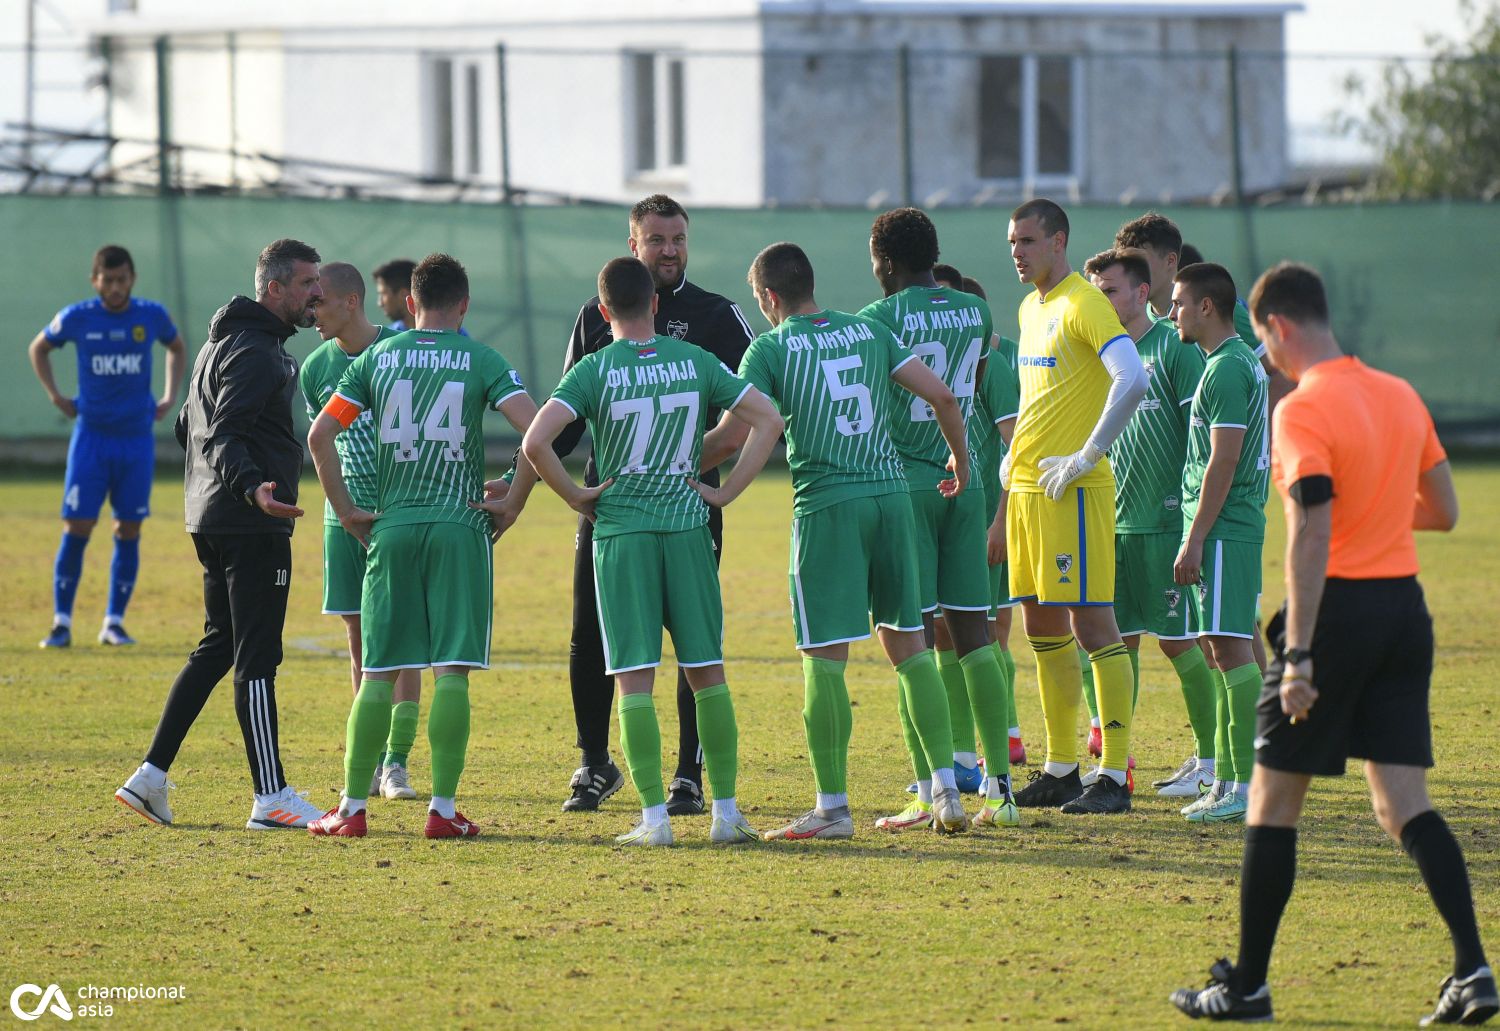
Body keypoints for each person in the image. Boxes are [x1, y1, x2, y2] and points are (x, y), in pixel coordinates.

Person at [1171, 263, 1495, 1026]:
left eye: (1263, 342)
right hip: (1404, 614)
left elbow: (1313, 527)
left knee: (1274, 804)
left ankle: (1247, 985)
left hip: (1338, 614)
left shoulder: (1302, 408)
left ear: (1280, 327)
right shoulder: (1398, 393)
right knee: (1402, 803)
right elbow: (1442, 509)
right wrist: (1376, 508)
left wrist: (1302, 654)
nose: (1267, 358)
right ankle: (1473, 968)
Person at [716, 242, 980, 840]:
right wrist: (962, 466)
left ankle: (833, 808)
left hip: (828, 507)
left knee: (825, 661)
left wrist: (679, 470)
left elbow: (735, 435)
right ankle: (944, 790)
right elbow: (941, 394)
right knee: (911, 648)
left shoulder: (770, 347)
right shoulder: (866, 331)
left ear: (768, 297)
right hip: (891, 499)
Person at [521, 256, 784, 846]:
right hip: (689, 528)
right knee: (707, 672)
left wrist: (577, 496)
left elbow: (537, 442)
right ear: (656, 306)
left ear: (603, 311)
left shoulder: (593, 369)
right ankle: (725, 814)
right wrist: (725, 491)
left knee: (632, 678)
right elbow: (765, 419)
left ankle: (654, 820)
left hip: (621, 537)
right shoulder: (694, 361)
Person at [305, 253, 539, 840]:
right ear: (463, 306)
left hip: (393, 525)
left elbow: (320, 435)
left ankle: (352, 808)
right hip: (460, 527)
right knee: (450, 671)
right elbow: (537, 431)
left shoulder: (378, 357)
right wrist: (512, 499)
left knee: (378, 669)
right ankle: (442, 809)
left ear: (408, 305)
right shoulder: (481, 357)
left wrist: (346, 511)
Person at [551, 194, 755, 816]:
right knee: (592, 632)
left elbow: (754, 405)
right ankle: (594, 763)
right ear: (632, 244)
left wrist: (687, 460)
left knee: (694, 643)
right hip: (609, 512)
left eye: (678, 240)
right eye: (657, 240)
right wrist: (518, 481)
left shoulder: (717, 316)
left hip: (689, 507)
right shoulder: (595, 316)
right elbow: (558, 430)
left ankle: (688, 775)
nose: (669, 251)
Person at [114, 238, 326, 831]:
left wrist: (225, 483)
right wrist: (255, 486)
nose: (318, 293)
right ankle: (271, 795)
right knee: (257, 659)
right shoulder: (258, 352)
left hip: (209, 517)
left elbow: (189, 427)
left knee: (219, 646)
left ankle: (150, 777)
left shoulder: (218, 343)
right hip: (249, 521)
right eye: (308, 283)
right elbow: (223, 433)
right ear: (274, 288)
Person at [857, 208, 1017, 831]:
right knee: (977, 638)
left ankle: (932, 790)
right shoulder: (975, 311)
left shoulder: (878, 319)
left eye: (875, 259)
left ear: (887, 260)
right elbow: (971, 382)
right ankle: (1000, 794)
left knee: (910, 640)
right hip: (966, 484)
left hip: (906, 486)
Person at [1004, 199, 1148, 816]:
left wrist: (1087, 455)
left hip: (1075, 490)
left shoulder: (1085, 301)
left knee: (1094, 627)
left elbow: (1132, 378)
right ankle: (1062, 767)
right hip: (1031, 491)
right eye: (1013, 241)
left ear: (1058, 241)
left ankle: (1113, 775)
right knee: (1039, 626)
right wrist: (1014, 459)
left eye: (1029, 241)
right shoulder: (1031, 306)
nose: (1018, 251)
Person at [1083, 248, 1217, 799]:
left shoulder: (1173, 348)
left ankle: (1211, 763)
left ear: (1142, 293)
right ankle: (1117, 764)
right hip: (1108, 520)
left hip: (1164, 524)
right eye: (1097, 293)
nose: (1103, 301)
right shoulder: (1097, 354)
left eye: (1111, 291)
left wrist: (1192, 521)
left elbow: (1206, 437)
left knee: (1181, 643)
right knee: (1113, 644)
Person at [301, 262, 422, 801]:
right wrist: (342, 508)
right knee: (360, 642)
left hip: (396, 513)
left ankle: (397, 761)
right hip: (341, 518)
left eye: (319, 302)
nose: (312, 312)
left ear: (351, 301)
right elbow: (323, 445)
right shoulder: (315, 368)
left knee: (406, 642)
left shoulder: (403, 352)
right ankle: (368, 758)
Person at [28, 244, 187, 648]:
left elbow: (176, 347)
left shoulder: (150, 315)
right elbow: (39, 347)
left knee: (128, 527)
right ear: (95, 280)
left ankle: (113, 622)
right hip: (92, 439)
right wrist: (55, 396)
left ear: (132, 278)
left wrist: (169, 396)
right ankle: (61, 622)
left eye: (121, 280)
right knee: (78, 525)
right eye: (107, 280)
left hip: (135, 440)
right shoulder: (78, 317)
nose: (115, 288)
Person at [1166, 262, 1269, 826]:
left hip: (1225, 528)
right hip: (1221, 527)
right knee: (1218, 648)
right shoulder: (1227, 365)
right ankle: (1230, 779)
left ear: (1207, 307)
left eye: (1179, 302)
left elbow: (1224, 459)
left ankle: (1245, 784)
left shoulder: (1227, 369)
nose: (1171, 311)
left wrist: (1196, 537)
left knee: (1230, 651)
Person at [964, 273, 1028, 768]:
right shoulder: (958, 362)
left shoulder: (998, 364)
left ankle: (1000, 740)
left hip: (991, 518)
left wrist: (1002, 520)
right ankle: (1001, 737)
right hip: (968, 517)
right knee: (985, 632)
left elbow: (1016, 447)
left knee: (989, 633)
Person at [372, 259, 417, 332]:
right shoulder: (387, 338)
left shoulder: (439, 331)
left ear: (404, 294)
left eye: (383, 294)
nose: (380, 303)